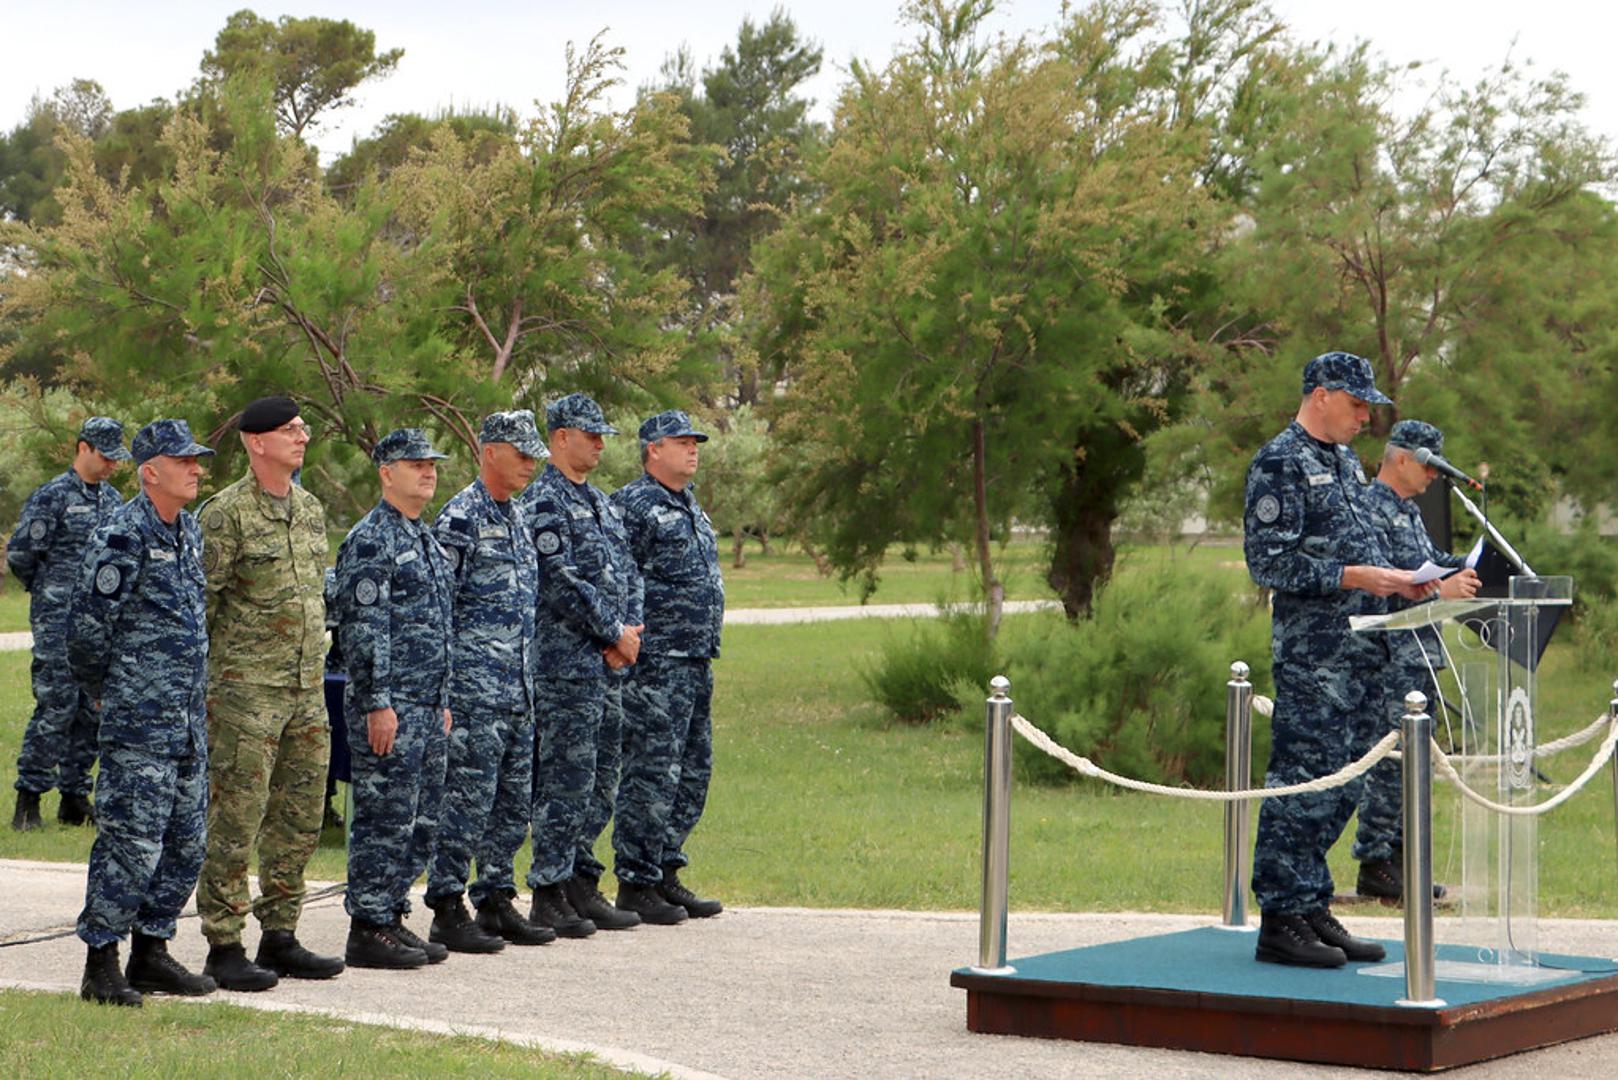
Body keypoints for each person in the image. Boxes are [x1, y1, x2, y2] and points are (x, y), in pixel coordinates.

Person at [1243, 352, 1433, 969]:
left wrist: (1405, 580)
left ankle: (1310, 903)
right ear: (1321, 395)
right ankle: (1280, 918)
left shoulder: (1346, 462)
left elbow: (1369, 547)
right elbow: (1268, 564)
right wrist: (1354, 575)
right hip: (1313, 658)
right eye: (1356, 403)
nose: (1364, 416)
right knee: (1302, 783)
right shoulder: (1279, 462)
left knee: (1344, 784)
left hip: (1363, 654)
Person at [195, 397, 344, 990]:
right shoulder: (225, 513)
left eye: (303, 427)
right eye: (289, 429)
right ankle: (223, 943)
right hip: (244, 694)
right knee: (235, 817)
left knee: (299, 818)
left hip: (306, 689)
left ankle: (279, 933)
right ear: (255, 442)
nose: (301, 436)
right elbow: (201, 605)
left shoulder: (308, 509)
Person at [66, 419, 217, 1005]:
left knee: (185, 840)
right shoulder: (121, 535)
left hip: (184, 720)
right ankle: (101, 961)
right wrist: (113, 693)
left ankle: (151, 951)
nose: (196, 468)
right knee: (131, 842)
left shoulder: (188, 532)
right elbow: (86, 634)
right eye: (184, 461)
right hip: (138, 721)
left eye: (197, 459)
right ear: (150, 470)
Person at [423, 410, 555, 951]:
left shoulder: (520, 518)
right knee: (465, 802)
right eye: (520, 454)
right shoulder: (460, 519)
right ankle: (447, 904)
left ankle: (497, 897)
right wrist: (447, 692)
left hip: (518, 692)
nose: (529, 465)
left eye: (534, 456)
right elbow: (439, 609)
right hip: (474, 695)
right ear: (490, 452)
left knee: (512, 803)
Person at [521, 392, 644, 937]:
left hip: (609, 666)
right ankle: (549, 890)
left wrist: (629, 633)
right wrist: (612, 631)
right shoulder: (543, 502)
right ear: (560, 438)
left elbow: (628, 572)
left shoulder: (600, 502)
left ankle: (580, 881)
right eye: (588, 433)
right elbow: (559, 582)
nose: (598, 443)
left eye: (603, 435)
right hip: (565, 666)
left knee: (601, 780)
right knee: (565, 781)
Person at [332, 428, 456, 970]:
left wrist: (442, 698)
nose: (427, 471)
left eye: (431, 464)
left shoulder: (423, 537)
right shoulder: (371, 539)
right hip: (390, 706)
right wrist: (378, 702)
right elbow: (364, 629)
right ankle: (367, 925)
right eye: (415, 464)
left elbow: (438, 627)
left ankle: (390, 916)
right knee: (385, 816)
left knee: (421, 818)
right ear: (387, 473)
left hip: (426, 705)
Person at [1353, 420, 1481, 901]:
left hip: (1421, 654)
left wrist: (1467, 567)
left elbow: (1424, 562)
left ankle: (1406, 858)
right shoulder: (1370, 509)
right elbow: (1383, 587)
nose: (1432, 476)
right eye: (1428, 465)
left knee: (1416, 765)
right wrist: (1440, 588)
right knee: (1392, 762)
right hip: (1389, 657)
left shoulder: (1409, 511)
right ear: (1401, 458)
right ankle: (1376, 861)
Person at [610, 410, 726, 924]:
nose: (693, 449)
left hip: (695, 658)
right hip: (655, 664)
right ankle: (635, 880)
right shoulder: (633, 506)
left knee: (692, 770)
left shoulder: (688, 504)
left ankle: (664, 869)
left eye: (695, 441)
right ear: (653, 449)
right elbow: (618, 580)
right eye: (682, 442)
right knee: (651, 771)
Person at [8, 417, 129, 831]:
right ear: (83, 449)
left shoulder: (114, 502)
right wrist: (51, 593)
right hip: (57, 619)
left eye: (117, 457)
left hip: (99, 624)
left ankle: (74, 796)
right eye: (105, 455)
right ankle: (29, 797)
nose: (112, 464)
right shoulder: (52, 497)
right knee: (57, 705)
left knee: (91, 710)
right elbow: (22, 556)